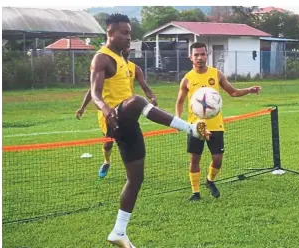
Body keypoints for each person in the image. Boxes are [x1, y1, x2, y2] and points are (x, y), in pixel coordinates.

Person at [90, 14, 210, 247]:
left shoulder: (124, 60)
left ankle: (119, 232)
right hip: (113, 119)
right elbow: (94, 92)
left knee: (136, 179)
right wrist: (104, 107)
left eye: (130, 33)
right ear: (110, 33)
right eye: (124, 33)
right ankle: (190, 129)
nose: (128, 37)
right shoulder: (101, 59)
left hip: (129, 124)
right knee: (135, 101)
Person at [175, 42, 262, 201]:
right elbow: (180, 101)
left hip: (215, 124)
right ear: (191, 57)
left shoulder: (217, 74)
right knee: (195, 159)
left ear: (206, 55)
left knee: (218, 159)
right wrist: (178, 119)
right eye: (196, 55)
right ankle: (195, 193)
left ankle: (210, 180)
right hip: (195, 127)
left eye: (202, 54)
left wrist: (248, 90)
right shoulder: (187, 79)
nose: (200, 57)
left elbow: (233, 92)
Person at [75, 47, 158, 178]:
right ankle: (107, 161)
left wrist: (151, 97)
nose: (125, 50)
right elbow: (93, 90)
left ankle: (129, 171)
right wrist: (83, 107)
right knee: (108, 142)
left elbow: (145, 86)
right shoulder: (109, 64)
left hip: (127, 110)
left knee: (127, 140)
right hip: (107, 111)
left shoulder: (135, 68)